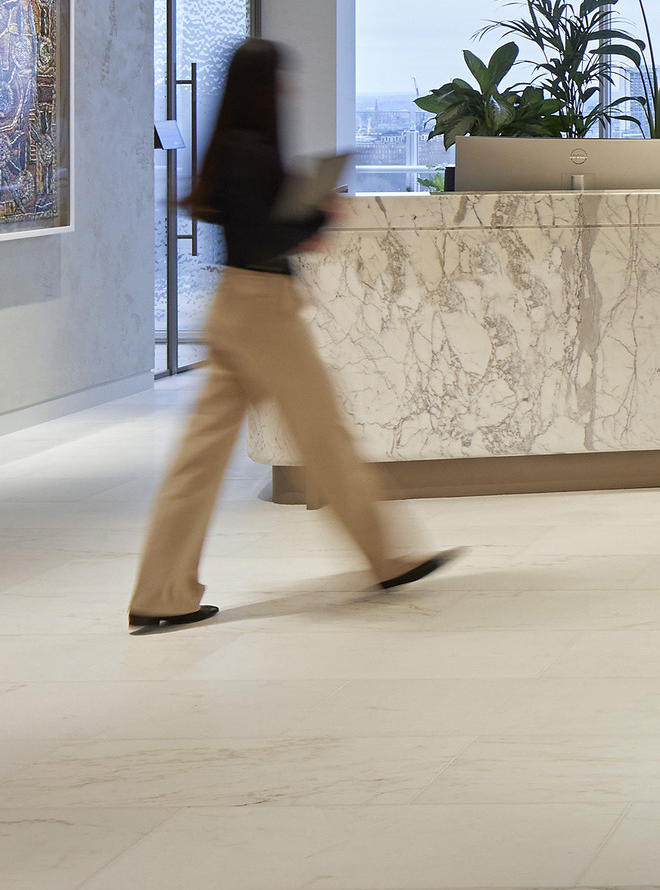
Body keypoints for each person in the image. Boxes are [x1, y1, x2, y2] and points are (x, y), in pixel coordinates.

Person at [129, 39, 455, 631]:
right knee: (325, 436)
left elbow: (250, 228)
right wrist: (319, 214)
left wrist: (305, 214)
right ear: (265, 85)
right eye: (282, 78)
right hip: (264, 313)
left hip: (236, 306)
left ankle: (160, 590)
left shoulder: (231, 146)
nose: (290, 89)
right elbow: (267, 237)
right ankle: (387, 557)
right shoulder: (254, 151)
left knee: (200, 458)